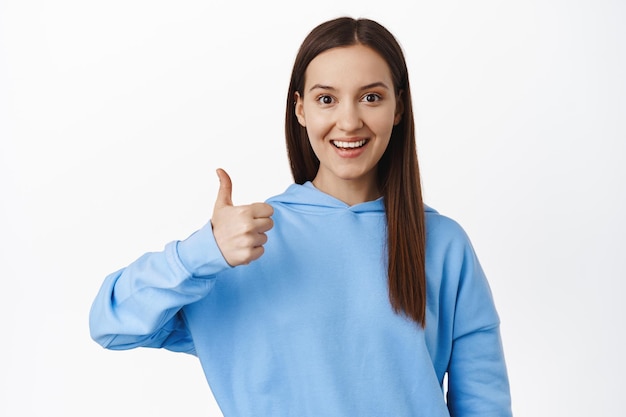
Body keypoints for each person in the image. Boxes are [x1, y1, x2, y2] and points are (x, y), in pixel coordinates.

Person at [90, 16, 512, 416]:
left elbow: (484, 406)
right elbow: (111, 324)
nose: (349, 121)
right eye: (326, 99)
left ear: (398, 108)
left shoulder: (443, 244)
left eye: (371, 97)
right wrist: (202, 253)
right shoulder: (244, 245)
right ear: (300, 109)